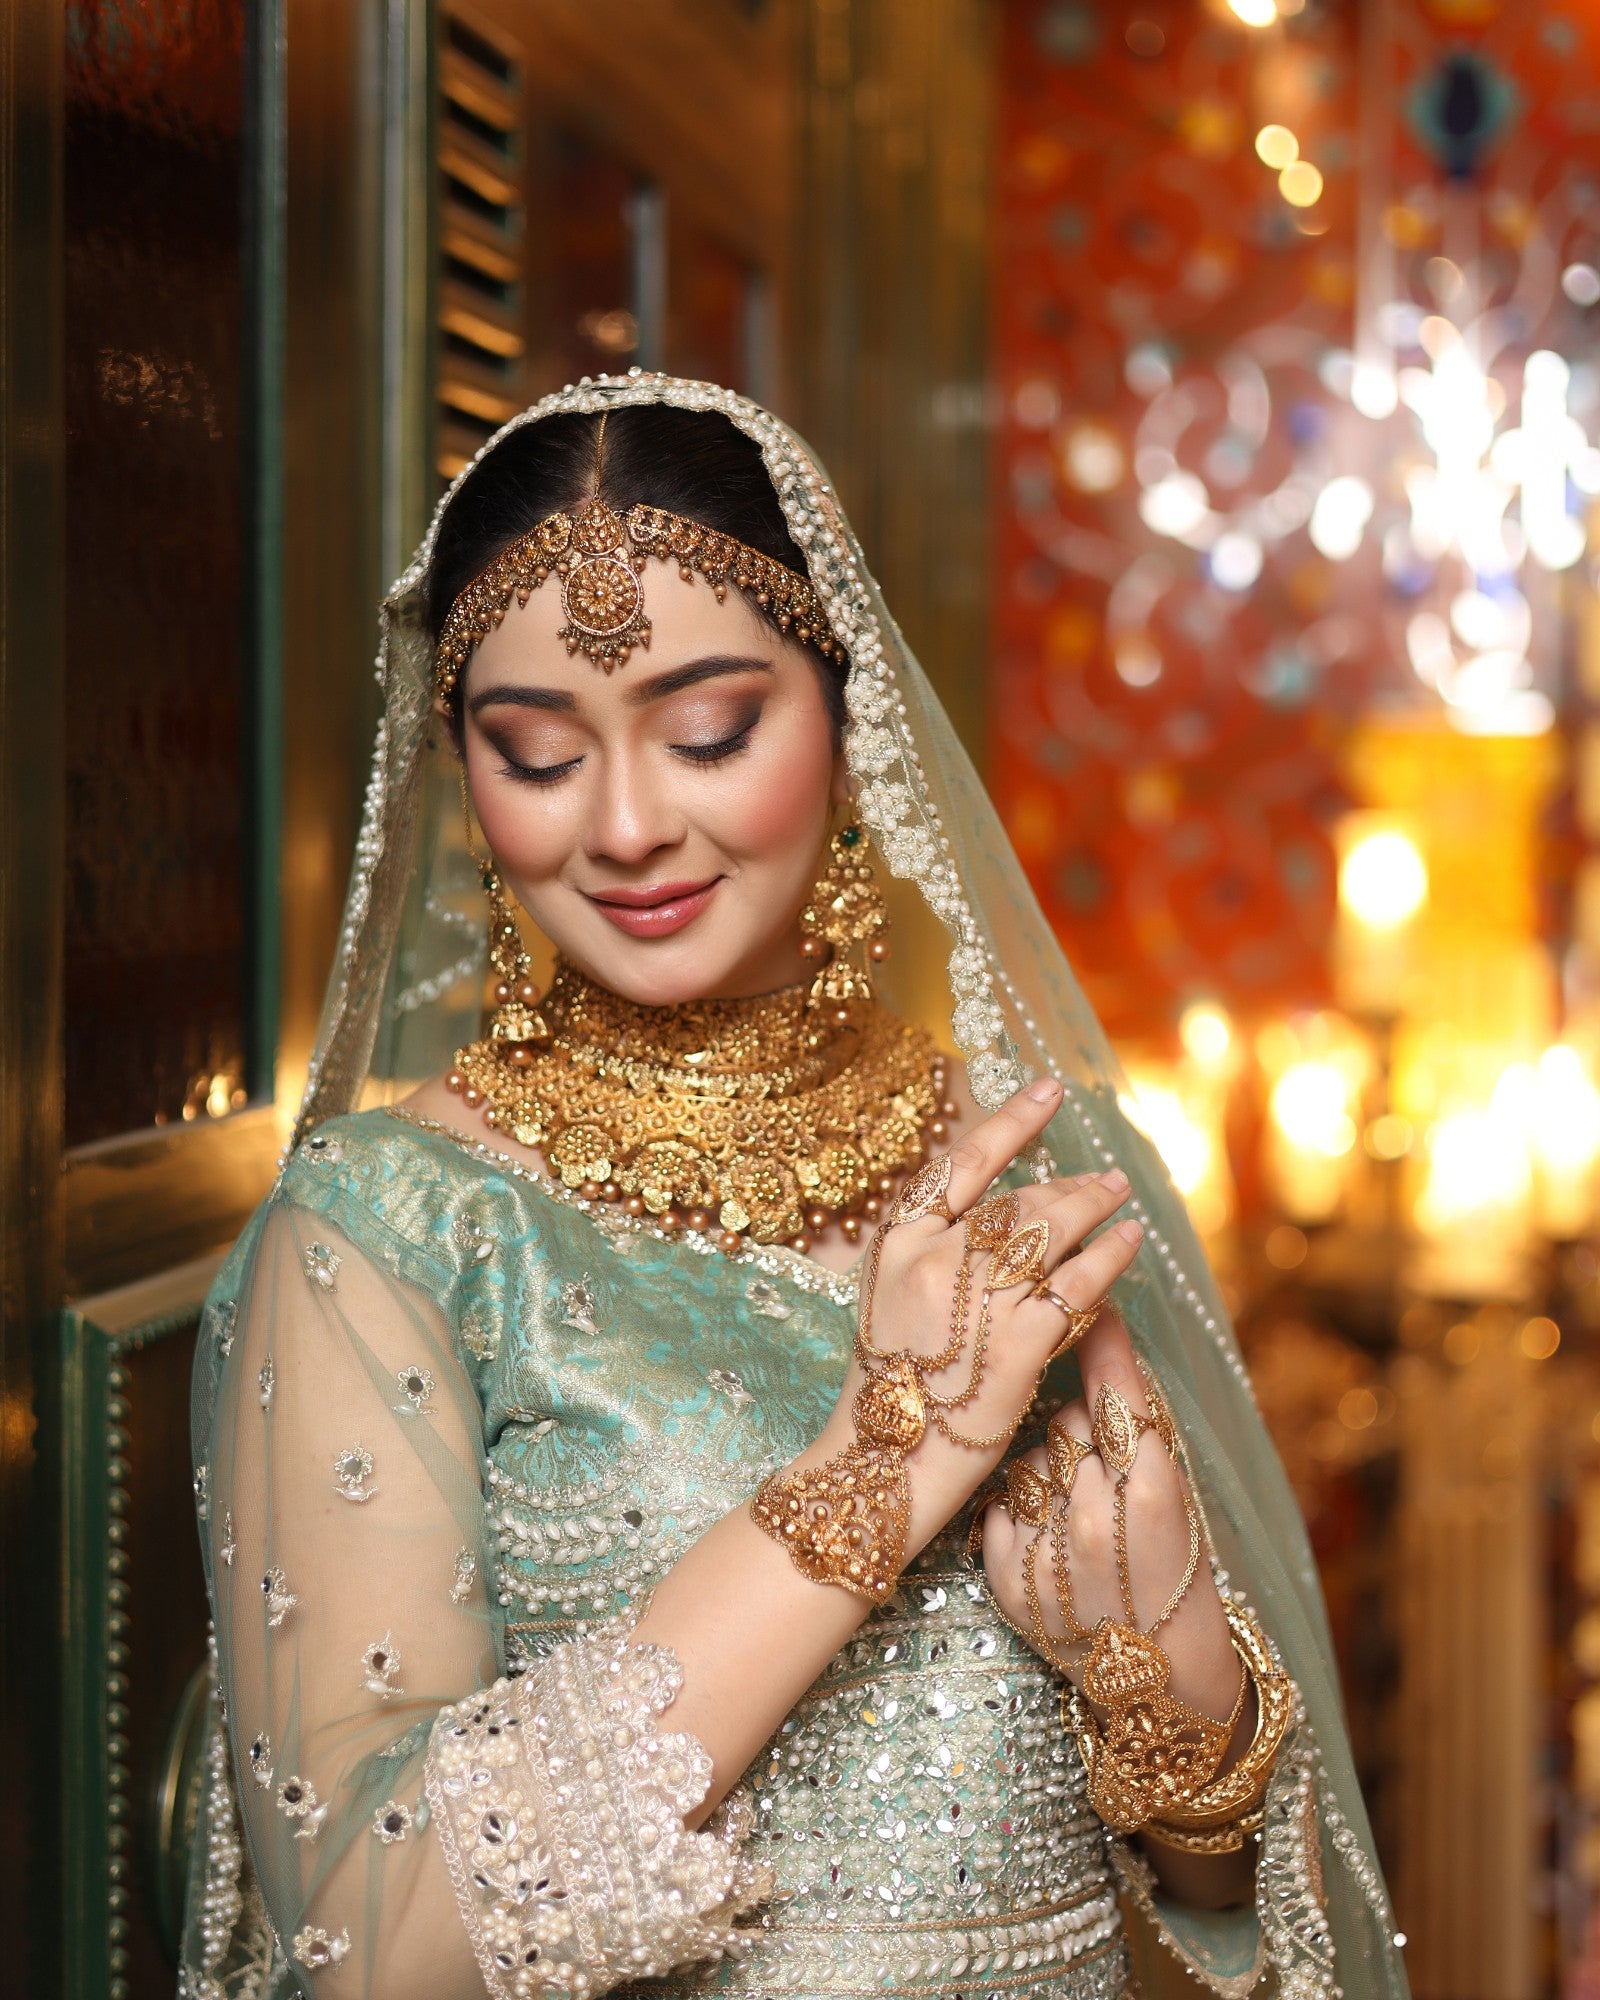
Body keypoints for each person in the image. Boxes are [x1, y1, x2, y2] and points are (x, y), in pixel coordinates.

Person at [181, 376, 1405, 2000]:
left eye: (708, 733)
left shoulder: (1033, 1174)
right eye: (537, 755)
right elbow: (365, 1946)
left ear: (846, 717)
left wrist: (1158, 1663)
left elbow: (1227, 1885)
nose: (627, 825)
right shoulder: (390, 1234)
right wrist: (886, 1461)